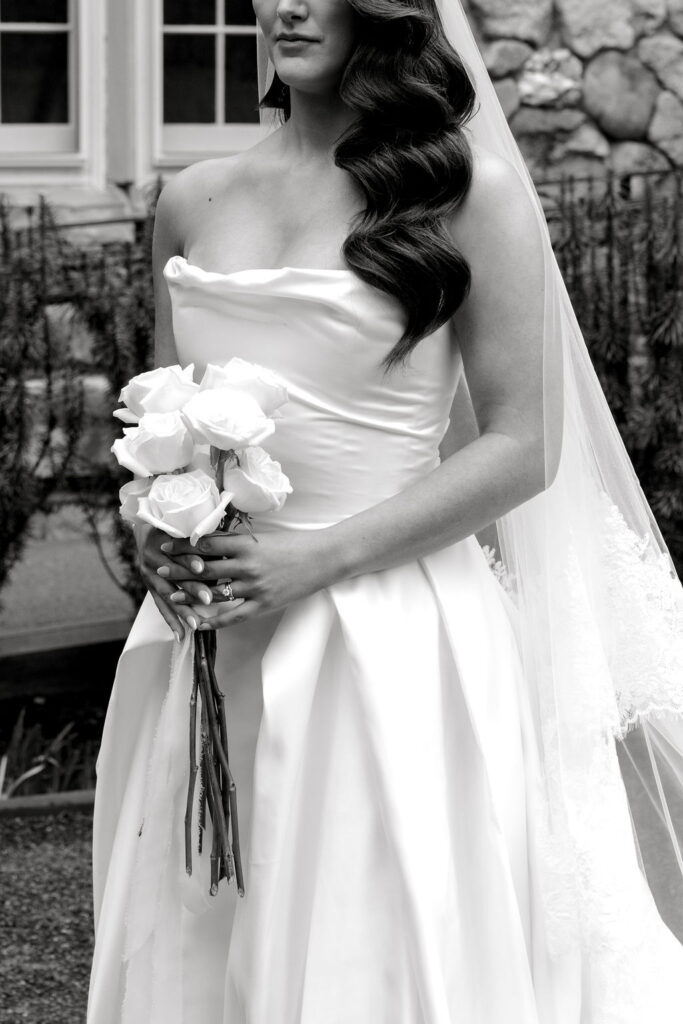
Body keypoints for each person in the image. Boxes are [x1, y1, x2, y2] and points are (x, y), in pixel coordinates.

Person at [88, 1, 683, 1022]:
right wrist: (150, 516)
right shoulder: (193, 197)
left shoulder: (466, 191)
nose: (285, 4)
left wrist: (317, 560)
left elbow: (520, 444)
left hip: (392, 644)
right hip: (208, 631)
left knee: (371, 947)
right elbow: (160, 407)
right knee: (200, 930)